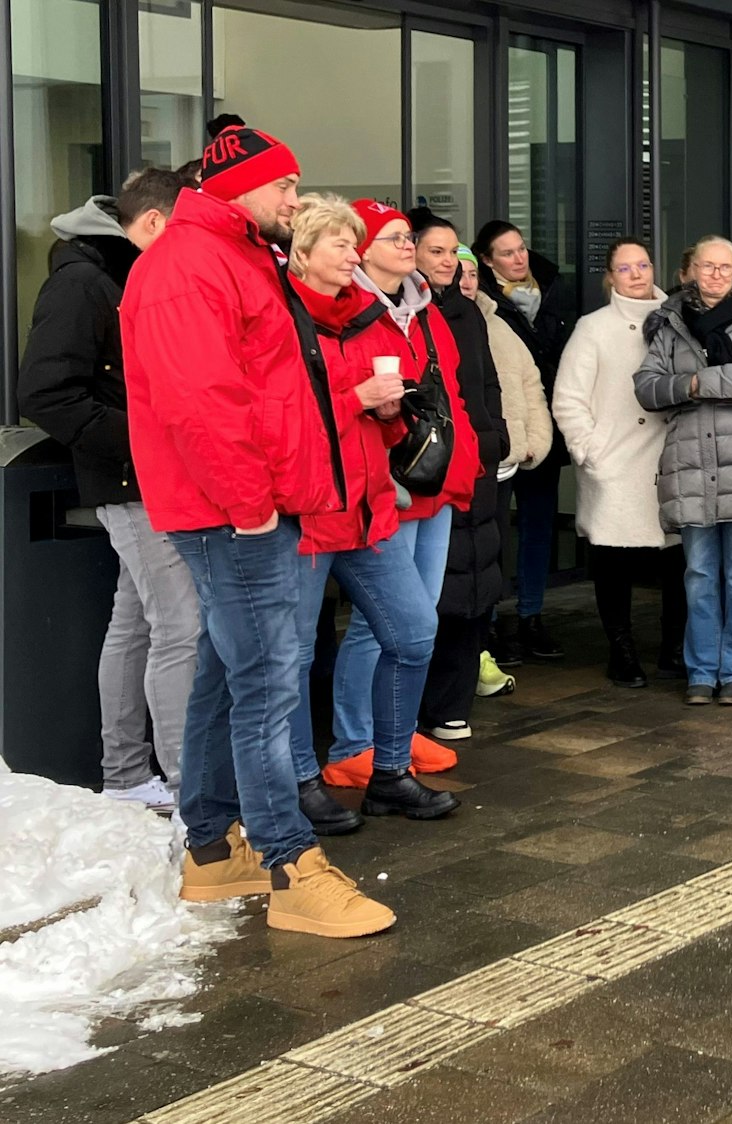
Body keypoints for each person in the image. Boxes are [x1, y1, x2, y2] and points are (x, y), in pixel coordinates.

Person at [122, 122, 393, 937]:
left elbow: (272, 388)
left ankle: (211, 851)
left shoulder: (238, 254)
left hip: (251, 506)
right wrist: (251, 506)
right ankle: (289, 863)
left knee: (227, 672)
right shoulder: (190, 264)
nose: (296, 200)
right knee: (268, 687)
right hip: (235, 513)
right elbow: (202, 402)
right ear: (238, 188)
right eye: (285, 185)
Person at [18, 166, 198, 813]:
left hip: (145, 479)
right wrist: (141, 439)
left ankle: (125, 776)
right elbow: (44, 392)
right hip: (133, 481)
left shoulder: (115, 274)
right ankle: (187, 791)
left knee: (139, 625)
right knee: (179, 628)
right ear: (151, 223)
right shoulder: (84, 281)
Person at [280, 195, 457, 823]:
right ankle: (299, 782)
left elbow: (372, 421)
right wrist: (356, 397)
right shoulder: (280, 316)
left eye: (354, 244)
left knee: (413, 632)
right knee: (294, 656)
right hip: (304, 513)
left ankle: (389, 772)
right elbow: (279, 416)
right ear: (303, 253)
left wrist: (387, 414)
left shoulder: (360, 316)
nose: (352, 255)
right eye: (340, 244)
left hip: (365, 505)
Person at [317, 200, 479, 789]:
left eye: (409, 236)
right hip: (386, 485)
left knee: (417, 620)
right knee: (377, 621)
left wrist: (466, 462)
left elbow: (452, 391)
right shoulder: (349, 313)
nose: (408, 245)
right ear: (362, 249)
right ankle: (353, 742)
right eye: (394, 237)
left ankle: (394, 730)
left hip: (437, 480)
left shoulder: (426, 311)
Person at [632, 236, 732, 705]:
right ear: (690, 271)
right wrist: (699, 385)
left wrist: (696, 383)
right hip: (690, 465)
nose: (716, 274)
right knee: (698, 575)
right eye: (707, 266)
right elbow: (647, 387)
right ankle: (701, 672)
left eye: (725, 267)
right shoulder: (669, 325)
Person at [553, 238, 689, 688]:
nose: (636, 275)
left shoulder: (677, 319)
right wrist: (590, 452)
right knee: (613, 561)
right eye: (625, 268)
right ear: (610, 277)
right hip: (615, 462)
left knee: (678, 561)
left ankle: (674, 649)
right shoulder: (593, 327)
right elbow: (568, 398)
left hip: (670, 459)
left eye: (643, 265)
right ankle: (622, 651)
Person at [409, 209, 511, 737]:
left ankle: (453, 704)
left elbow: (487, 383)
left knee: (477, 577)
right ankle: (421, 708)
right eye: (436, 251)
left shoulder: (467, 312)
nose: (448, 261)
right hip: (433, 465)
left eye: (453, 252)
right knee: (436, 584)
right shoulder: (408, 311)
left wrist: (495, 437)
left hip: (478, 460)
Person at [476, 220, 576, 664]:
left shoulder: (553, 288)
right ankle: (489, 621)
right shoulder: (480, 301)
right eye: (507, 253)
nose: (519, 259)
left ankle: (532, 616)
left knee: (538, 526)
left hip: (544, 425)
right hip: (500, 432)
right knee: (495, 532)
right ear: (487, 260)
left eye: (521, 249)